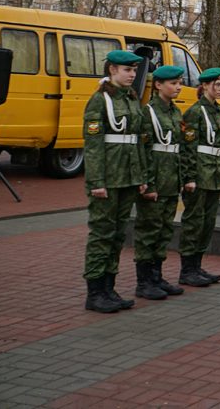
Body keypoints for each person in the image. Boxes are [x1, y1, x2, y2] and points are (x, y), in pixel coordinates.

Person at [82, 49, 151, 314]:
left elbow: (137, 142)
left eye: (134, 70)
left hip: (128, 178)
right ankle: (95, 291)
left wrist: (141, 177)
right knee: (102, 234)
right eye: (127, 70)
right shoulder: (100, 100)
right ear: (112, 70)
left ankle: (109, 288)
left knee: (118, 235)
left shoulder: (132, 98)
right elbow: (93, 144)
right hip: (108, 180)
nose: (132, 75)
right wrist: (96, 180)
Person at [132, 64, 188, 300]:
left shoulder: (175, 112)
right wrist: (148, 183)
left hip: (171, 181)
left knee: (164, 231)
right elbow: (143, 151)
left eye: (179, 83)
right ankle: (144, 281)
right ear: (158, 85)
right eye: (173, 83)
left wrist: (182, 179)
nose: (178, 87)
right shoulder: (148, 112)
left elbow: (179, 149)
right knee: (148, 231)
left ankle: (157, 275)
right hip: (155, 181)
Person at [177, 68, 220, 287]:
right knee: (194, 221)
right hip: (199, 173)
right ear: (205, 86)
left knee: (208, 221)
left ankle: (197, 265)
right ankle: (187, 269)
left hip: (214, 172)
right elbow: (188, 147)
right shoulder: (195, 112)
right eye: (216, 85)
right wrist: (189, 177)